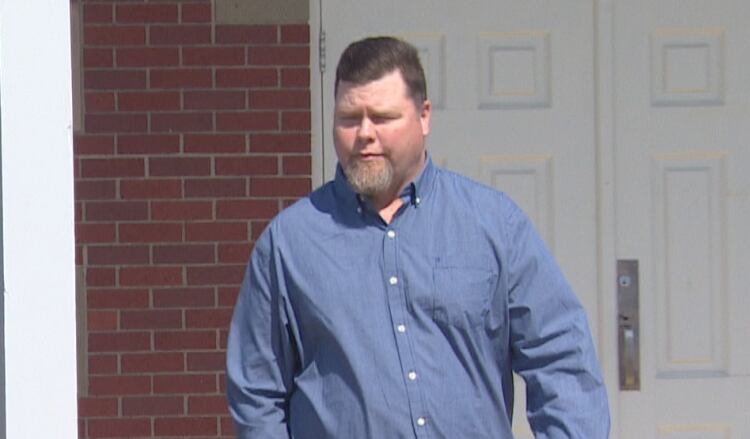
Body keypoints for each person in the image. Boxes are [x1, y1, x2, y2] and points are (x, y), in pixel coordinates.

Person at [226, 36, 610, 438]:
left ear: (424, 116)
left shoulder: (493, 226)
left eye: (383, 117)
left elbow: (561, 358)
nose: (364, 134)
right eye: (348, 118)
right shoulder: (290, 244)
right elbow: (256, 393)